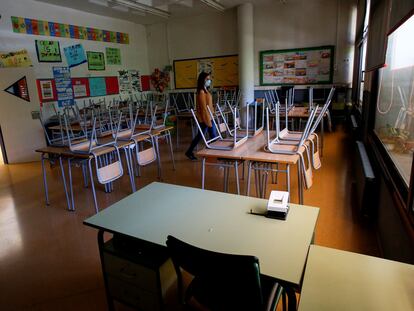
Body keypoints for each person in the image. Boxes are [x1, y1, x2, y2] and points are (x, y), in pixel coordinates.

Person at [185, 72, 217, 160]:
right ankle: (218, 154)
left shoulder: (205, 90)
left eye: (209, 79)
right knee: (211, 136)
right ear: (202, 80)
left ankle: (189, 152)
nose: (209, 81)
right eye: (207, 79)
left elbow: (209, 105)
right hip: (205, 119)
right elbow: (203, 108)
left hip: (209, 117)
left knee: (206, 136)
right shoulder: (201, 92)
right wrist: (208, 121)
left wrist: (213, 114)